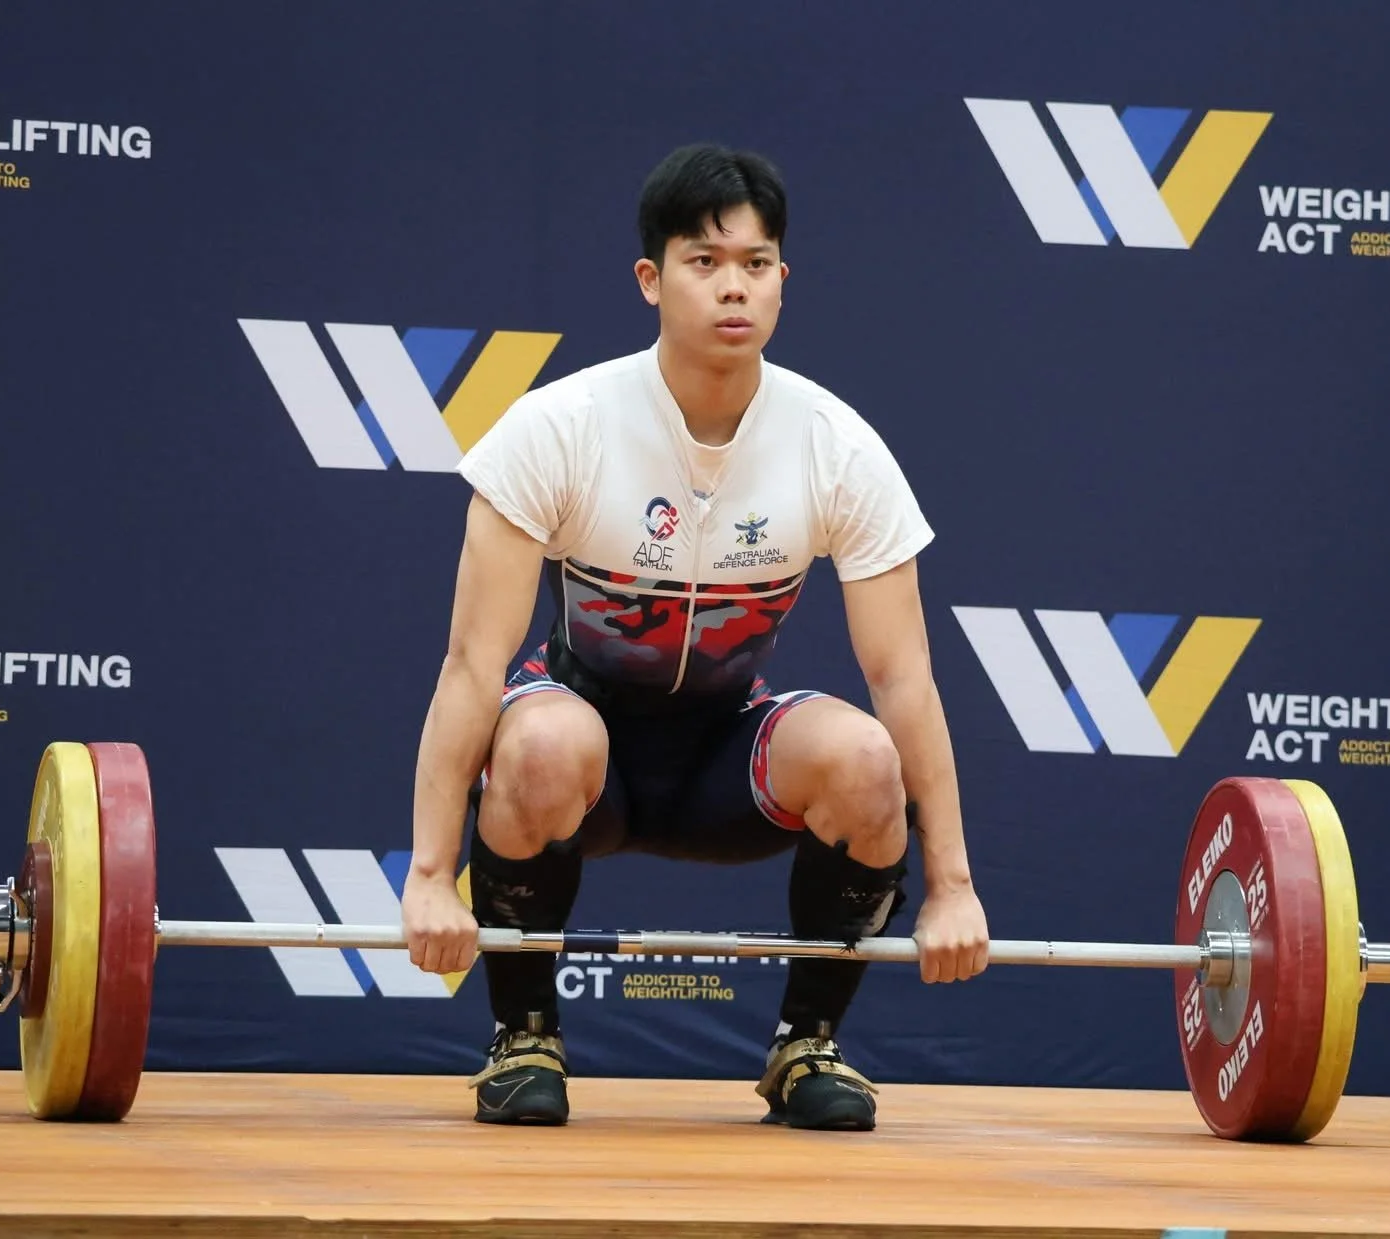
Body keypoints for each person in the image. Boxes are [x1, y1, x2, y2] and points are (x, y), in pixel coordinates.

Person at [399, 142, 989, 1132]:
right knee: (542, 740)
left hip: (725, 752)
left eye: (753, 265)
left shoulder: (835, 448)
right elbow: (470, 665)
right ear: (650, 279)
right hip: (579, 744)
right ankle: (524, 1035)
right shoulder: (557, 430)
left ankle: (806, 1047)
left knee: (862, 758)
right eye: (702, 262)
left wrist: (954, 886)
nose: (731, 288)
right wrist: (424, 876)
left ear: (780, 283)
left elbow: (906, 681)